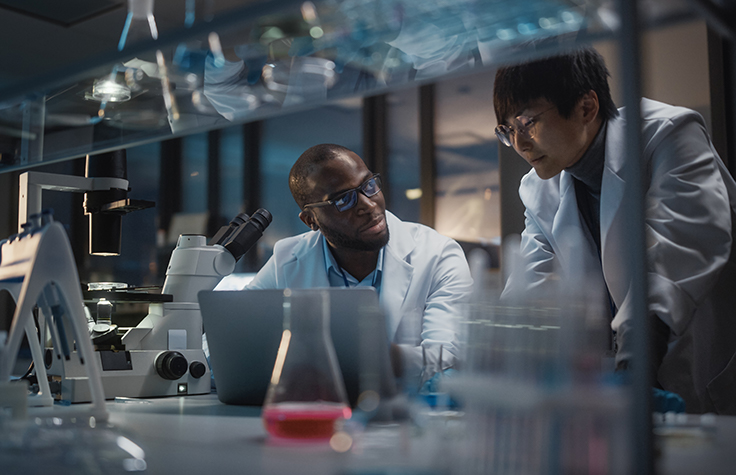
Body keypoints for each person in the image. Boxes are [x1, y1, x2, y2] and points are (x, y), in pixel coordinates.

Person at [495, 46, 736, 415]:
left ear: (587, 107)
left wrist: (634, 363)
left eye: (527, 123)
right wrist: (492, 363)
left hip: (708, 360)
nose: (519, 143)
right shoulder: (538, 189)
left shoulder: (667, 134)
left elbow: (676, 254)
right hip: (618, 387)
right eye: (507, 130)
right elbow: (529, 290)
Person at [246, 143, 473, 385]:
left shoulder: (438, 254)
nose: (367, 204)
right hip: (319, 409)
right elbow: (231, 334)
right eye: (344, 199)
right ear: (311, 220)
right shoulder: (287, 258)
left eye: (369, 185)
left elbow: (447, 358)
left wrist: (367, 359)